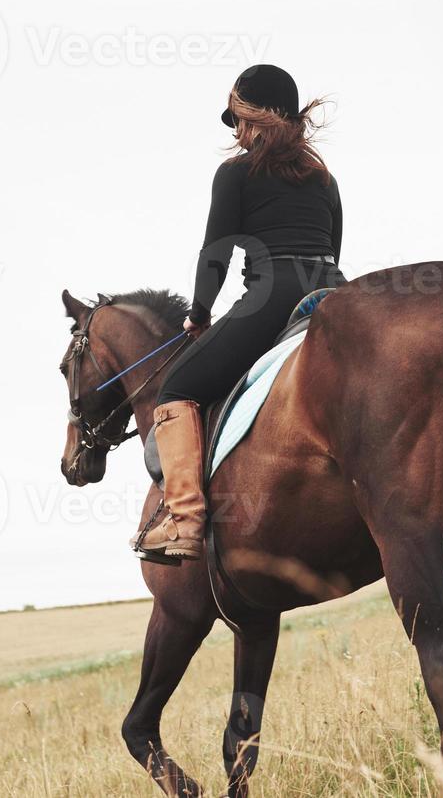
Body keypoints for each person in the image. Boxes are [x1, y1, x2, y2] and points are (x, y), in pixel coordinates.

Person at [136, 63, 345, 562]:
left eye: (238, 120)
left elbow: (217, 252)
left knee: (178, 388)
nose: (237, 131)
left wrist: (200, 313)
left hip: (273, 295)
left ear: (251, 120)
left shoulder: (235, 173)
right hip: (334, 293)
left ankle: (183, 519)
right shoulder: (324, 178)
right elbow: (334, 246)